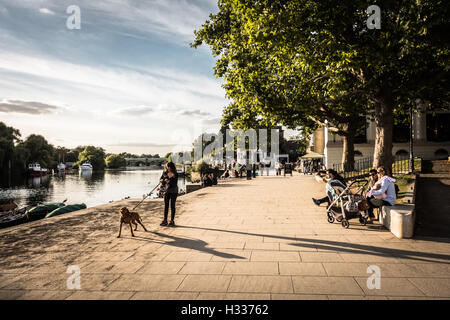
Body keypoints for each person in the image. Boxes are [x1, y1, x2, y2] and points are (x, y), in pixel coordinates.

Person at [160, 162, 178, 227]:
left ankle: (172, 221)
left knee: (172, 206)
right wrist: (162, 181)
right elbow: (161, 179)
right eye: (167, 167)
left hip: (173, 191)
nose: (168, 168)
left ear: (172, 167)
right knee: (166, 206)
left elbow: (174, 184)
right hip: (166, 191)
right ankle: (165, 220)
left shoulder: (175, 174)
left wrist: (169, 181)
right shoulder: (164, 173)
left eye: (169, 167)